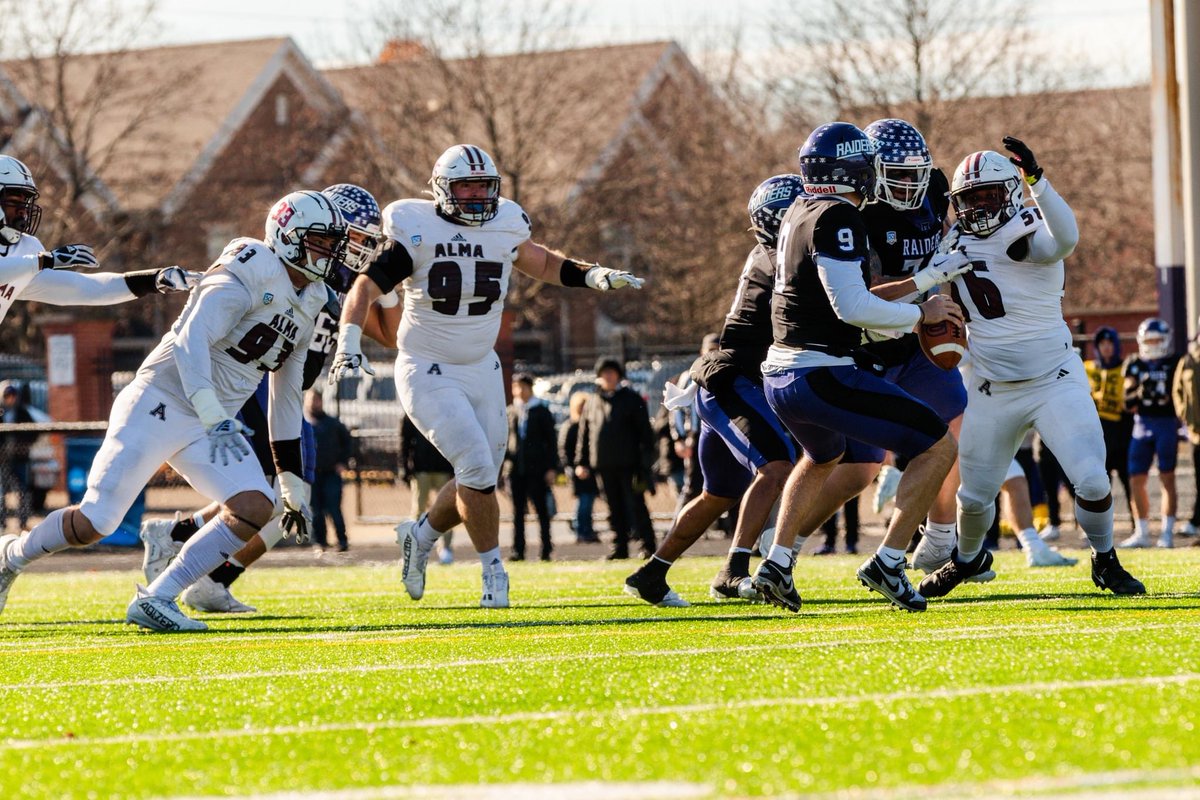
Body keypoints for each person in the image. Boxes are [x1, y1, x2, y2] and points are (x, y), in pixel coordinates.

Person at [0, 190, 350, 628]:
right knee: (97, 521)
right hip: (160, 401)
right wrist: (213, 414)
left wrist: (291, 479)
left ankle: (158, 597)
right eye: (320, 241)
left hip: (211, 421)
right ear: (288, 237)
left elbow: (287, 392)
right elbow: (190, 341)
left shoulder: (313, 298)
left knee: (256, 505)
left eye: (332, 243)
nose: (329, 252)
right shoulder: (248, 267)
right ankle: (11, 556)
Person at [329, 143, 643, 608]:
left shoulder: (505, 223)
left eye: (484, 185)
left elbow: (542, 262)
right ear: (442, 189)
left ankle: (419, 534)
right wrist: (349, 341)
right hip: (426, 367)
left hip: (481, 366)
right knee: (476, 465)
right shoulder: (415, 227)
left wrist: (592, 275)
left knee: (480, 477)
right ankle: (494, 573)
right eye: (466, 185)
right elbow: (365, 287)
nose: (477, 195)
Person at [136, 183, 390, 613]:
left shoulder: (345, 276)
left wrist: (389, 288)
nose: (364, 248)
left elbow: (390, 332)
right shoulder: (307, 266)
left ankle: (191, 550)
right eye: (359, 237)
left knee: (284, 500)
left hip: (291, 388)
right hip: (259, 381)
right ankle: (201, 575)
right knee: (279, 496)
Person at [751, 123, 964, 614]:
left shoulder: (799, 210)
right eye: (865, 164)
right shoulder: (839, 215)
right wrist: (920, 316)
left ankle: (777, 564)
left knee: (823, 457)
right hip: (819, 371)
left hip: (780, 374)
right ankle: (889, 561)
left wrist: (924, 282)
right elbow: (852, 306)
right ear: (849, 168)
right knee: (938, 445)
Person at [919, 137, 1144, 598]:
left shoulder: (1028, 227)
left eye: (987, 195)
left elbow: (1066, 237)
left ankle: (1105, 559)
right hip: (988, 386)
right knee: (975, 498)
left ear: (1011, 191)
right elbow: (922, 296)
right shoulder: (951, 242)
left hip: (1053, 379)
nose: (978, 207)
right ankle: (965, 559)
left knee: (1092, 478)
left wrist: (1039, 180)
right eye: (969, 199)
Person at [625, 175, 803, 607]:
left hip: (728, 381)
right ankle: (734, 570)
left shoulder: (773, 256)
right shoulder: (779, 262)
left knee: (717, 494)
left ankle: (652, 573)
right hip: (733, 382)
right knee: (778, 467)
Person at [0, 154, 196, 327]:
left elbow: (83, 289)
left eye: (25, 203)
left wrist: (152, 280)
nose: (23, 212)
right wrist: (44, 260)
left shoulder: (25, 250)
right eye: (15, 202)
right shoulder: (32, 260)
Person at [576, 357, 657, 560]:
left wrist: (644, 463)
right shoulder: (592, 402)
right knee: (613, 508)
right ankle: (619, 546)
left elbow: (645, 434)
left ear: (619, 375)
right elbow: (584, 435)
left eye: (612, 372)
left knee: (636, 505)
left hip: (630, 465)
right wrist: (582, 462)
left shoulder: (631, 399)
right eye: (604, 373)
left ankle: (647, 545)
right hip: (603, 465)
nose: (608, 376)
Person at [1120, 318, 1181, 548]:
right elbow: (1127, 402)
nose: (1154, 344)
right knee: (1136, 478)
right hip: (1142, 424)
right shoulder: (1135, 363)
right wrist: (1138, 393)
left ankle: (1166, 532)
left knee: (1167, 476)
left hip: (1166, 423)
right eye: (1150, 340)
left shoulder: (1175, 362)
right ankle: (1142, 531)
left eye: (1157, 340)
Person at [1083, 327, 1133, 541]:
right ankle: (1100, 532)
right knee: (1099, 488)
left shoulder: (1126, 368)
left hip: (1121, 435)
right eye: (1102, 343)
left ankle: (1137, 527)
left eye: (1110, 343)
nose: (1106, 347)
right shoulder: (1087, 368)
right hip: (1096, 436)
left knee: (1129, 483)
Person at [504, 373, 559, 561]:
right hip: (515, 469)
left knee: (541, 510)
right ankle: (518, 550)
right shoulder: (511, 411)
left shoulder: (541, 411)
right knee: (517, 512)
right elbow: (505, 440)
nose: (519, 391)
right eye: (515, 387)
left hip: (537, 469)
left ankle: (546, 548)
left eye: (522, 387)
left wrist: (551, 467)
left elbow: (551, 441)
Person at [401, 415, 456, 562]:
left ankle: (445, 548)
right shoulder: (412, 409)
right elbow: (405, 440)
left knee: (446, 509)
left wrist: (453, 466)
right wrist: (405, 467)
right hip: (421, 467)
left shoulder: (444, 409)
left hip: (442, 466)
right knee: (418, 509)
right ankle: (414, 548)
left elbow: (453, 438)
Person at [307, 390, 353, 552]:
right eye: (311, 400)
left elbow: (348, 443)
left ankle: (342, 540)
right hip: (311, 475)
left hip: (331, 473)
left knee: (333, 508)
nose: (314, 403)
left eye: (316, 400)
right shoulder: (304, 424)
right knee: (316, 510)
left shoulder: (333, 424)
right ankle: (319, 542)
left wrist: (342, 462)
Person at [1171, 321, 1200, 539]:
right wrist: (1185, 415)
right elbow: (1177, 391)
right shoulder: (1188, 360)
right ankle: (1195, 520)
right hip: (1197, 432)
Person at [559, 391, 598, 544]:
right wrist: (573, 467)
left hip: (591, 470)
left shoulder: (591, 425)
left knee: (588, 501)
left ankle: (586, 528)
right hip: (579, 471)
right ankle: (582, 529)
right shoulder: (571, 426)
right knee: (584, 501)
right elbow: (564, 449)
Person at [0, 382, 36, 532]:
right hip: (3, 460)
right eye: (8, 396)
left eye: (13, 395)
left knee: (23, 490)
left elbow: (34, 432)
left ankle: (23, 522)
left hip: (20, 458)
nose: (11, 399)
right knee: (2, 491)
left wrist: (24, 445)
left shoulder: (23, 413)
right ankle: (2, 522)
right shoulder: (1, 414)